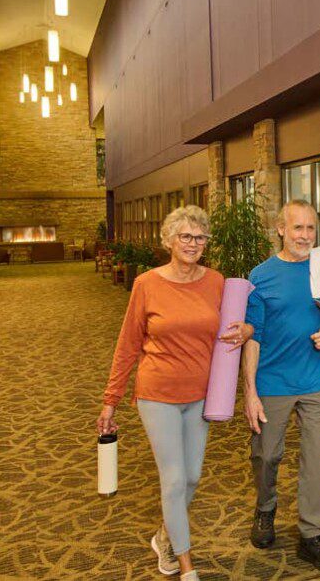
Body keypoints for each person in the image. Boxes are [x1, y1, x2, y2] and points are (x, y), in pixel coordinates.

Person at [97, 206, 252, 580]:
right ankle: (185, 564)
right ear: (169, 240)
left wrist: (246, 330)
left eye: (199, 237)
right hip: (157, 393)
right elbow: (128, 344)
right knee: (174, 477)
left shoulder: (216, 281)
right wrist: (110, 399)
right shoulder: (147, 284)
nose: (193, 243)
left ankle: (166, 532)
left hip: (200, 395)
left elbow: (236, 325)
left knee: (194, 476)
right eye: (185, 236)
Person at [240, 199, 320, 571]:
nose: (305, 236)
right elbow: (253, 337)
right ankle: (265, 508)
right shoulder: (260, 276)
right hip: (273, 381)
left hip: (317, 380)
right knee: (266, 454)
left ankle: (312, 533)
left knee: (314, 459)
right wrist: (250, 392)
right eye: (297, 228)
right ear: (280, 229)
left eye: (311, 228)